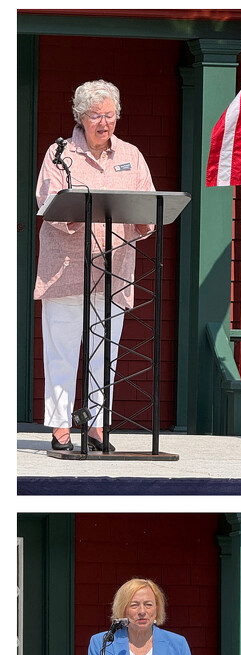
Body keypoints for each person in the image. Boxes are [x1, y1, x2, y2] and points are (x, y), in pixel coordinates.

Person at [35, 80, 156, 454]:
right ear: (80, 117)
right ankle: (60, 428)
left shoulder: (132, 155)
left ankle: (98, 427)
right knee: (63, 350)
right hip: (66, 269)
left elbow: (149, 205)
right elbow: (48, 202)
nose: (104, 123)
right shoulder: (60, 154)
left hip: (114, 271)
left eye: (110, 115)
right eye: (95, 115)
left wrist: (142, 218)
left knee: (106, 353)